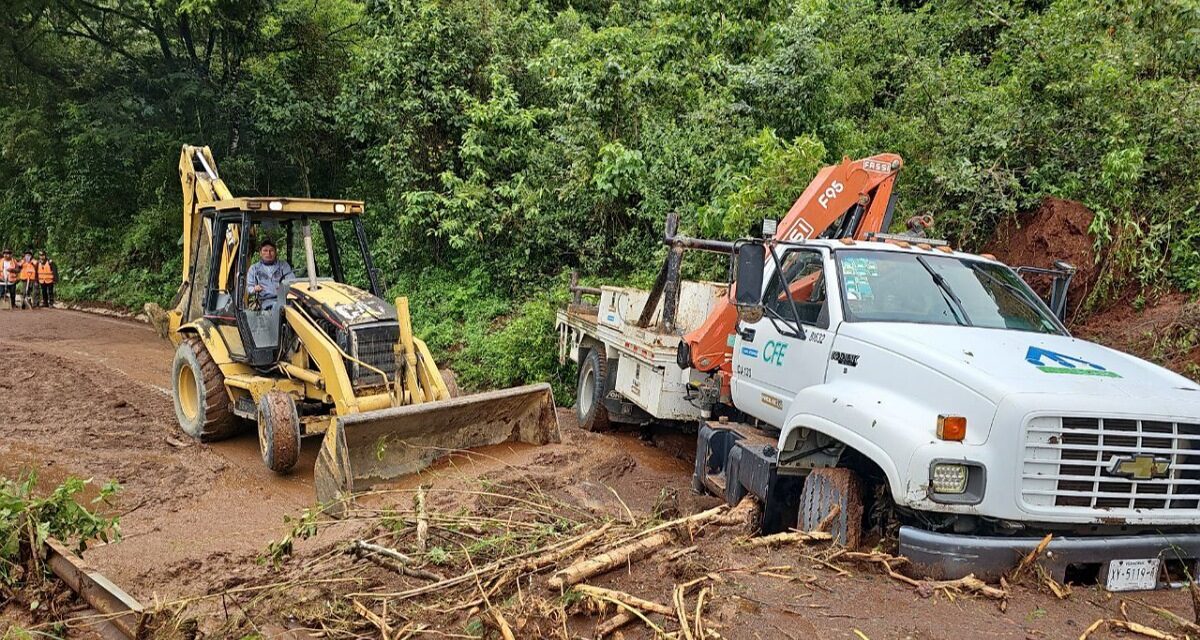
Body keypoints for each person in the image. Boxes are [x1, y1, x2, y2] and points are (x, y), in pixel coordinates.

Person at [246, 239, 295, 310]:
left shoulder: (283, 266)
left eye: (271, 250)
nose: (268, 254)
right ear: (260, 253)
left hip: (283, 298)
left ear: (275, 252)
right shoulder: (254, 269)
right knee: (277, 307)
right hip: (264, 301)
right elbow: (249, 288)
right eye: (265, 250)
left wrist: (284, 287)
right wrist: (254, 289)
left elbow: (292, 281)